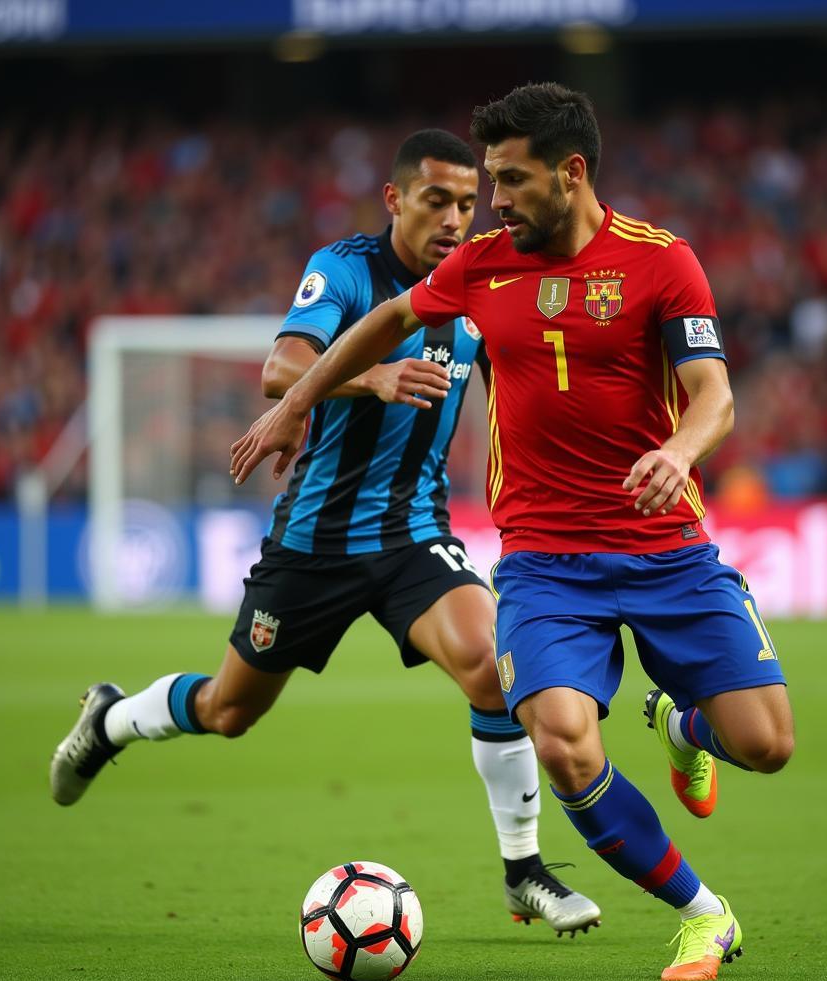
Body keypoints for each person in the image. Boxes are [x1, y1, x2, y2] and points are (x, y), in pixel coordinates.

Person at [228, 86, 796, 981]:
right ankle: (703, 914)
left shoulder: (663, 262)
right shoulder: (482, 267)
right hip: (543, 564)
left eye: (511, 180)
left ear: (572, 174)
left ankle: (683, 727)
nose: (490, 203)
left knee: (766, 745)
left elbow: (715, 393)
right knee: (565, 741)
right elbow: (386, 320)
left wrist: (682, 450)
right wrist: (296, 401)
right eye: (489, 181)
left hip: (665, 549)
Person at [50, 128, 601, 937]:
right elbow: (282, 369)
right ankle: (110, 718)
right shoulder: (342, 268)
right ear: (395, 200)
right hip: (314, 540)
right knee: (230, 709)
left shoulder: (486, 276)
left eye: (465, 202)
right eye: (436, 201)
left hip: (415, 531)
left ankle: (524, 872)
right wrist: (371, 374)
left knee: (492, 667)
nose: (455, 218)